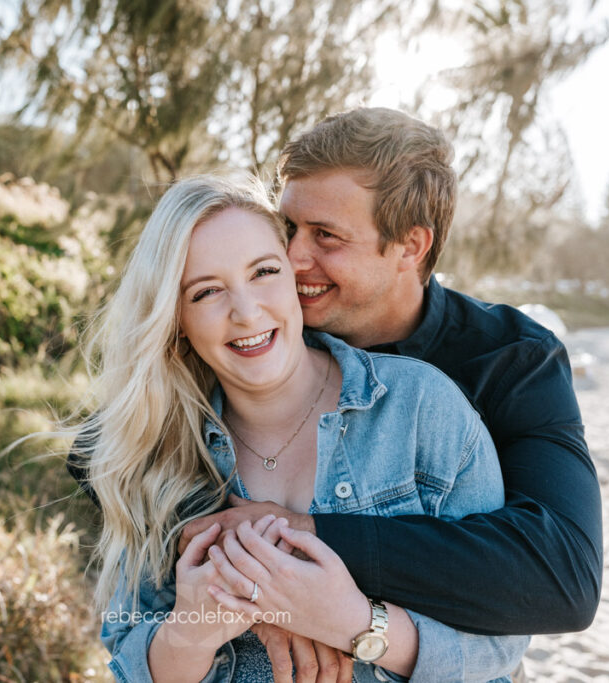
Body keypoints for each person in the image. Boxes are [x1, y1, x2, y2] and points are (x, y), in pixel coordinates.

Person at [177, 107, 603, 671]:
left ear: (410, 246)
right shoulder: (256, 330)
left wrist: (301, 542)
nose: (293, 256)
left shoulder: (510, 357)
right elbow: (102, 450)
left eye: (325, 236)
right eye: (288, 229)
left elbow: (561, 574)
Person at [78, 174, 528, 681]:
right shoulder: (159, 451)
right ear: (176, 317)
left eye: (264, 272)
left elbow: (503, 643)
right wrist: (194, 628)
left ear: (295, 275)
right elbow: (125, 649)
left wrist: (356, 624)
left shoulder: (420, 409)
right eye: (206, 292)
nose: (247, 313)